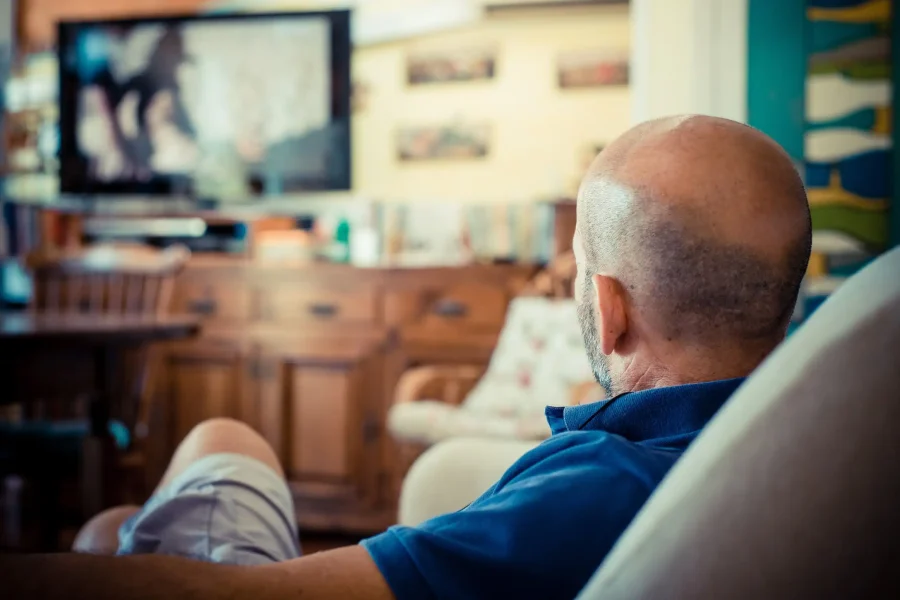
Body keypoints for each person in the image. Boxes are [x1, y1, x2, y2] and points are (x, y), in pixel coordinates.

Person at [0, 115, 812, 599]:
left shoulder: (597, 491)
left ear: (608, 306)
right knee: (118, 525)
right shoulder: (798, 447)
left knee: (215, 447)